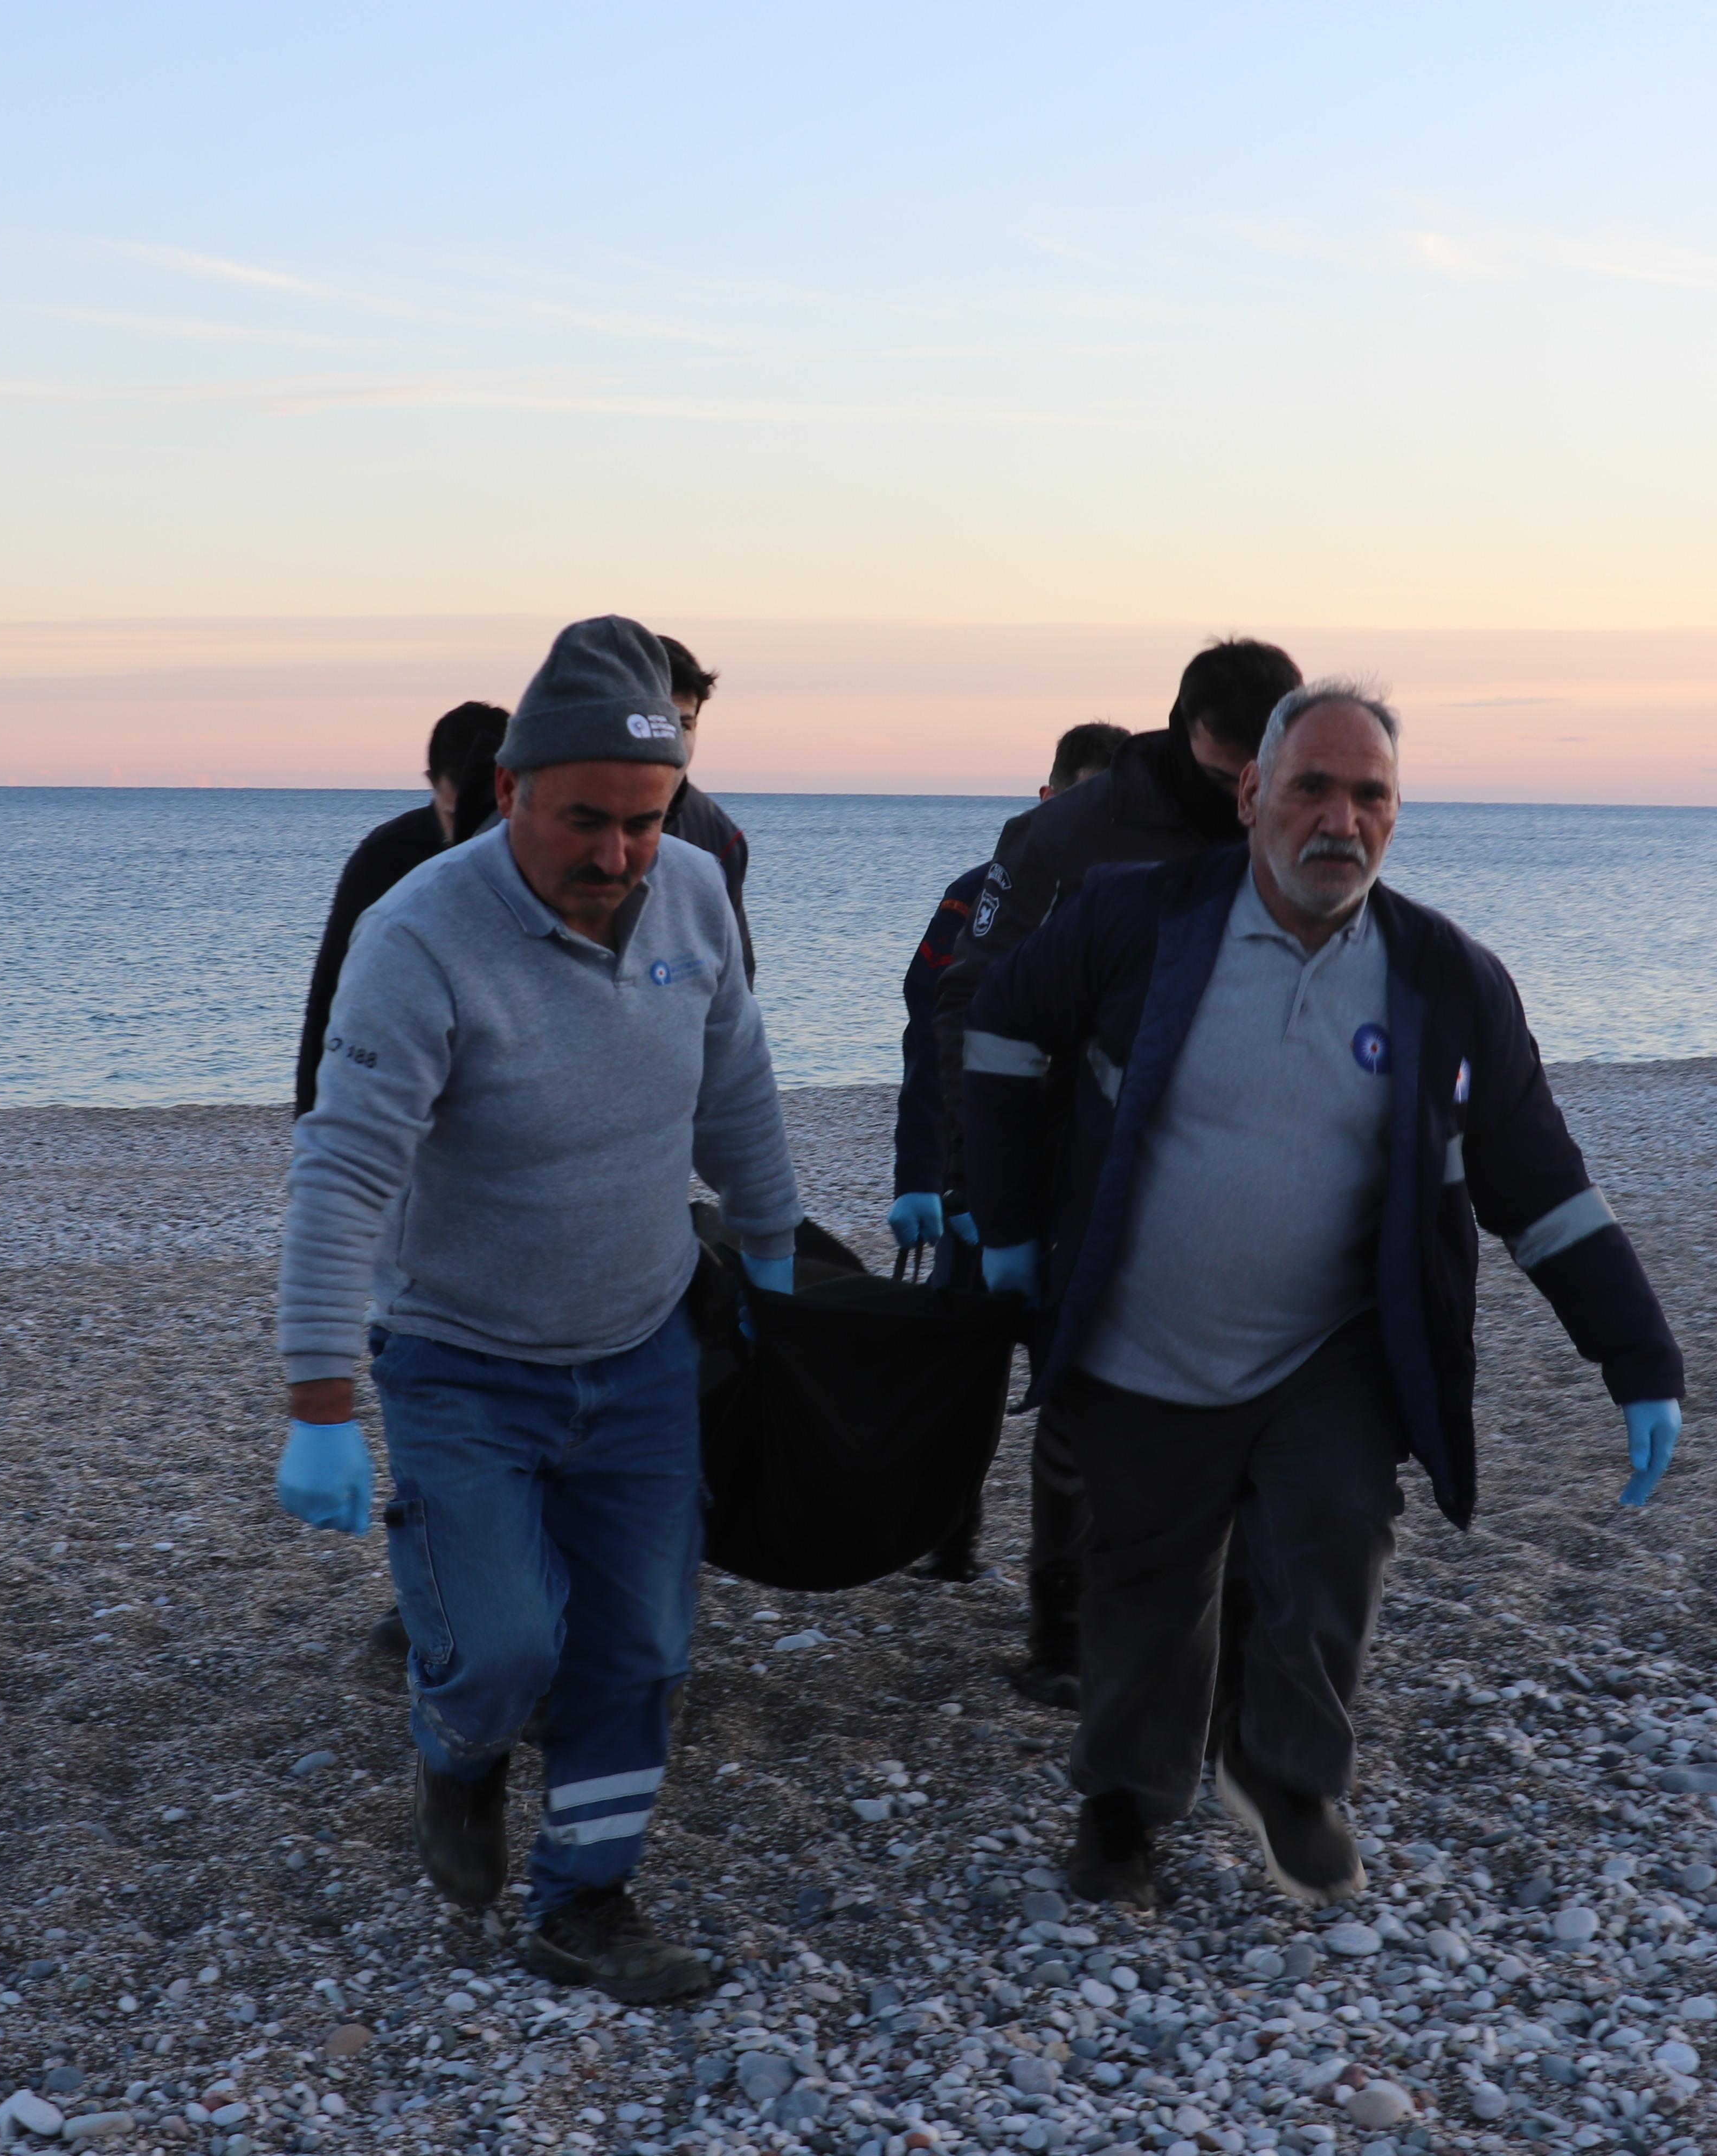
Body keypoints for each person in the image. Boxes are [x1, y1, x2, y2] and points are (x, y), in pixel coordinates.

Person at [958, 681, 1686, 1908]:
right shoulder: (1133, 920)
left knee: (1333, 1543)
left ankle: (1286, 1773)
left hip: (1334, 1347)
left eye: (1371, 795)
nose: (1339, 819)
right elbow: (998, 1034)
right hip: (1146, 1337)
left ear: (1398, 816)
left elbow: (1540, 1184)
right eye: (1312, 787)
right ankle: (1123, 1811)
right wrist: (1012, 1231)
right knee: (1144, 1583)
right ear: (1251, 795)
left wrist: (1640, 1359)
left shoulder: (1449, 979)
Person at [274, 614, 801, 2001]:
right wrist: (320, 1400)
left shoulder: (690, 891)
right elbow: (340, 1170)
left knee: (642, 1643)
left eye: (645, 818)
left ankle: (587, 1898)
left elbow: (735, 1078)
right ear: (509, 793)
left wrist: (777, 1244)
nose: (619, 856)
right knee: (502, 1644)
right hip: (461, 1355)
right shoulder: (421, 934)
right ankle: (457, 1756)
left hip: (640, 1343)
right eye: (585, 820)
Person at [930, 639, 1306, 1705]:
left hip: (1238, 1171)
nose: (1249, 783)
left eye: (1267, 759)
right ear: (1188, 727)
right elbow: (973, 1002)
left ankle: (1207, 1619)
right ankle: (1063, 1630)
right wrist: (983, 1181)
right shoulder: (1068, 836)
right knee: (1081, 1407)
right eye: (1235, 754)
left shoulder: (1292, 817)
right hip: (1072, 1168)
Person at [891, 719, 1132, 1582]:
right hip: (972, 1184)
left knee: (1076, 1397)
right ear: (1046, 799)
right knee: (961, 1379)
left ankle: (1059, 1625)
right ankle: (947, 1542)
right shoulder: (976, 895)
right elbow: (930, 1034)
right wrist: (923, 1176)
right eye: (1078, 805)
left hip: (1084, 1193)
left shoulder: (1148, 911)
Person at [294, 701, 509, 1115]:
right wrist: (310, 1120)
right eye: (454, 816)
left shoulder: (546, 865)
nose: (469, 839)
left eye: (487, 820)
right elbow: (330, 999)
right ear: (431, 783)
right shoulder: (384, 859)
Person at [654, 634, 754, 983]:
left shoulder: (718, 837)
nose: (670, 744)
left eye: (683, 725)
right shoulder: (545, 817)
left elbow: (736, 981)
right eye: (657, 723)